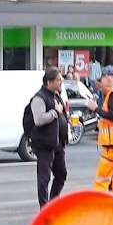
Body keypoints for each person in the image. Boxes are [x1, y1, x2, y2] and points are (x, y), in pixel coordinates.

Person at [22, 68, 70, 207]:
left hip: (57, 143)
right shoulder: (39, 98)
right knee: (44, 179)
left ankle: (53, 203)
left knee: (61, 174)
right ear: (49, 82)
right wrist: (55, 112)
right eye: (58, 80)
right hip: (44, 144)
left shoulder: (56, 95)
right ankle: (44, 208)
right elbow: (39, 120)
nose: (61, 82)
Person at [93, 68, 113, 190]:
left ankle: (99, 206)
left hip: (111, 145)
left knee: (101, 179)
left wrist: (96, 109)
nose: (101, 81)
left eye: (102, 78)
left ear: (108, 77)